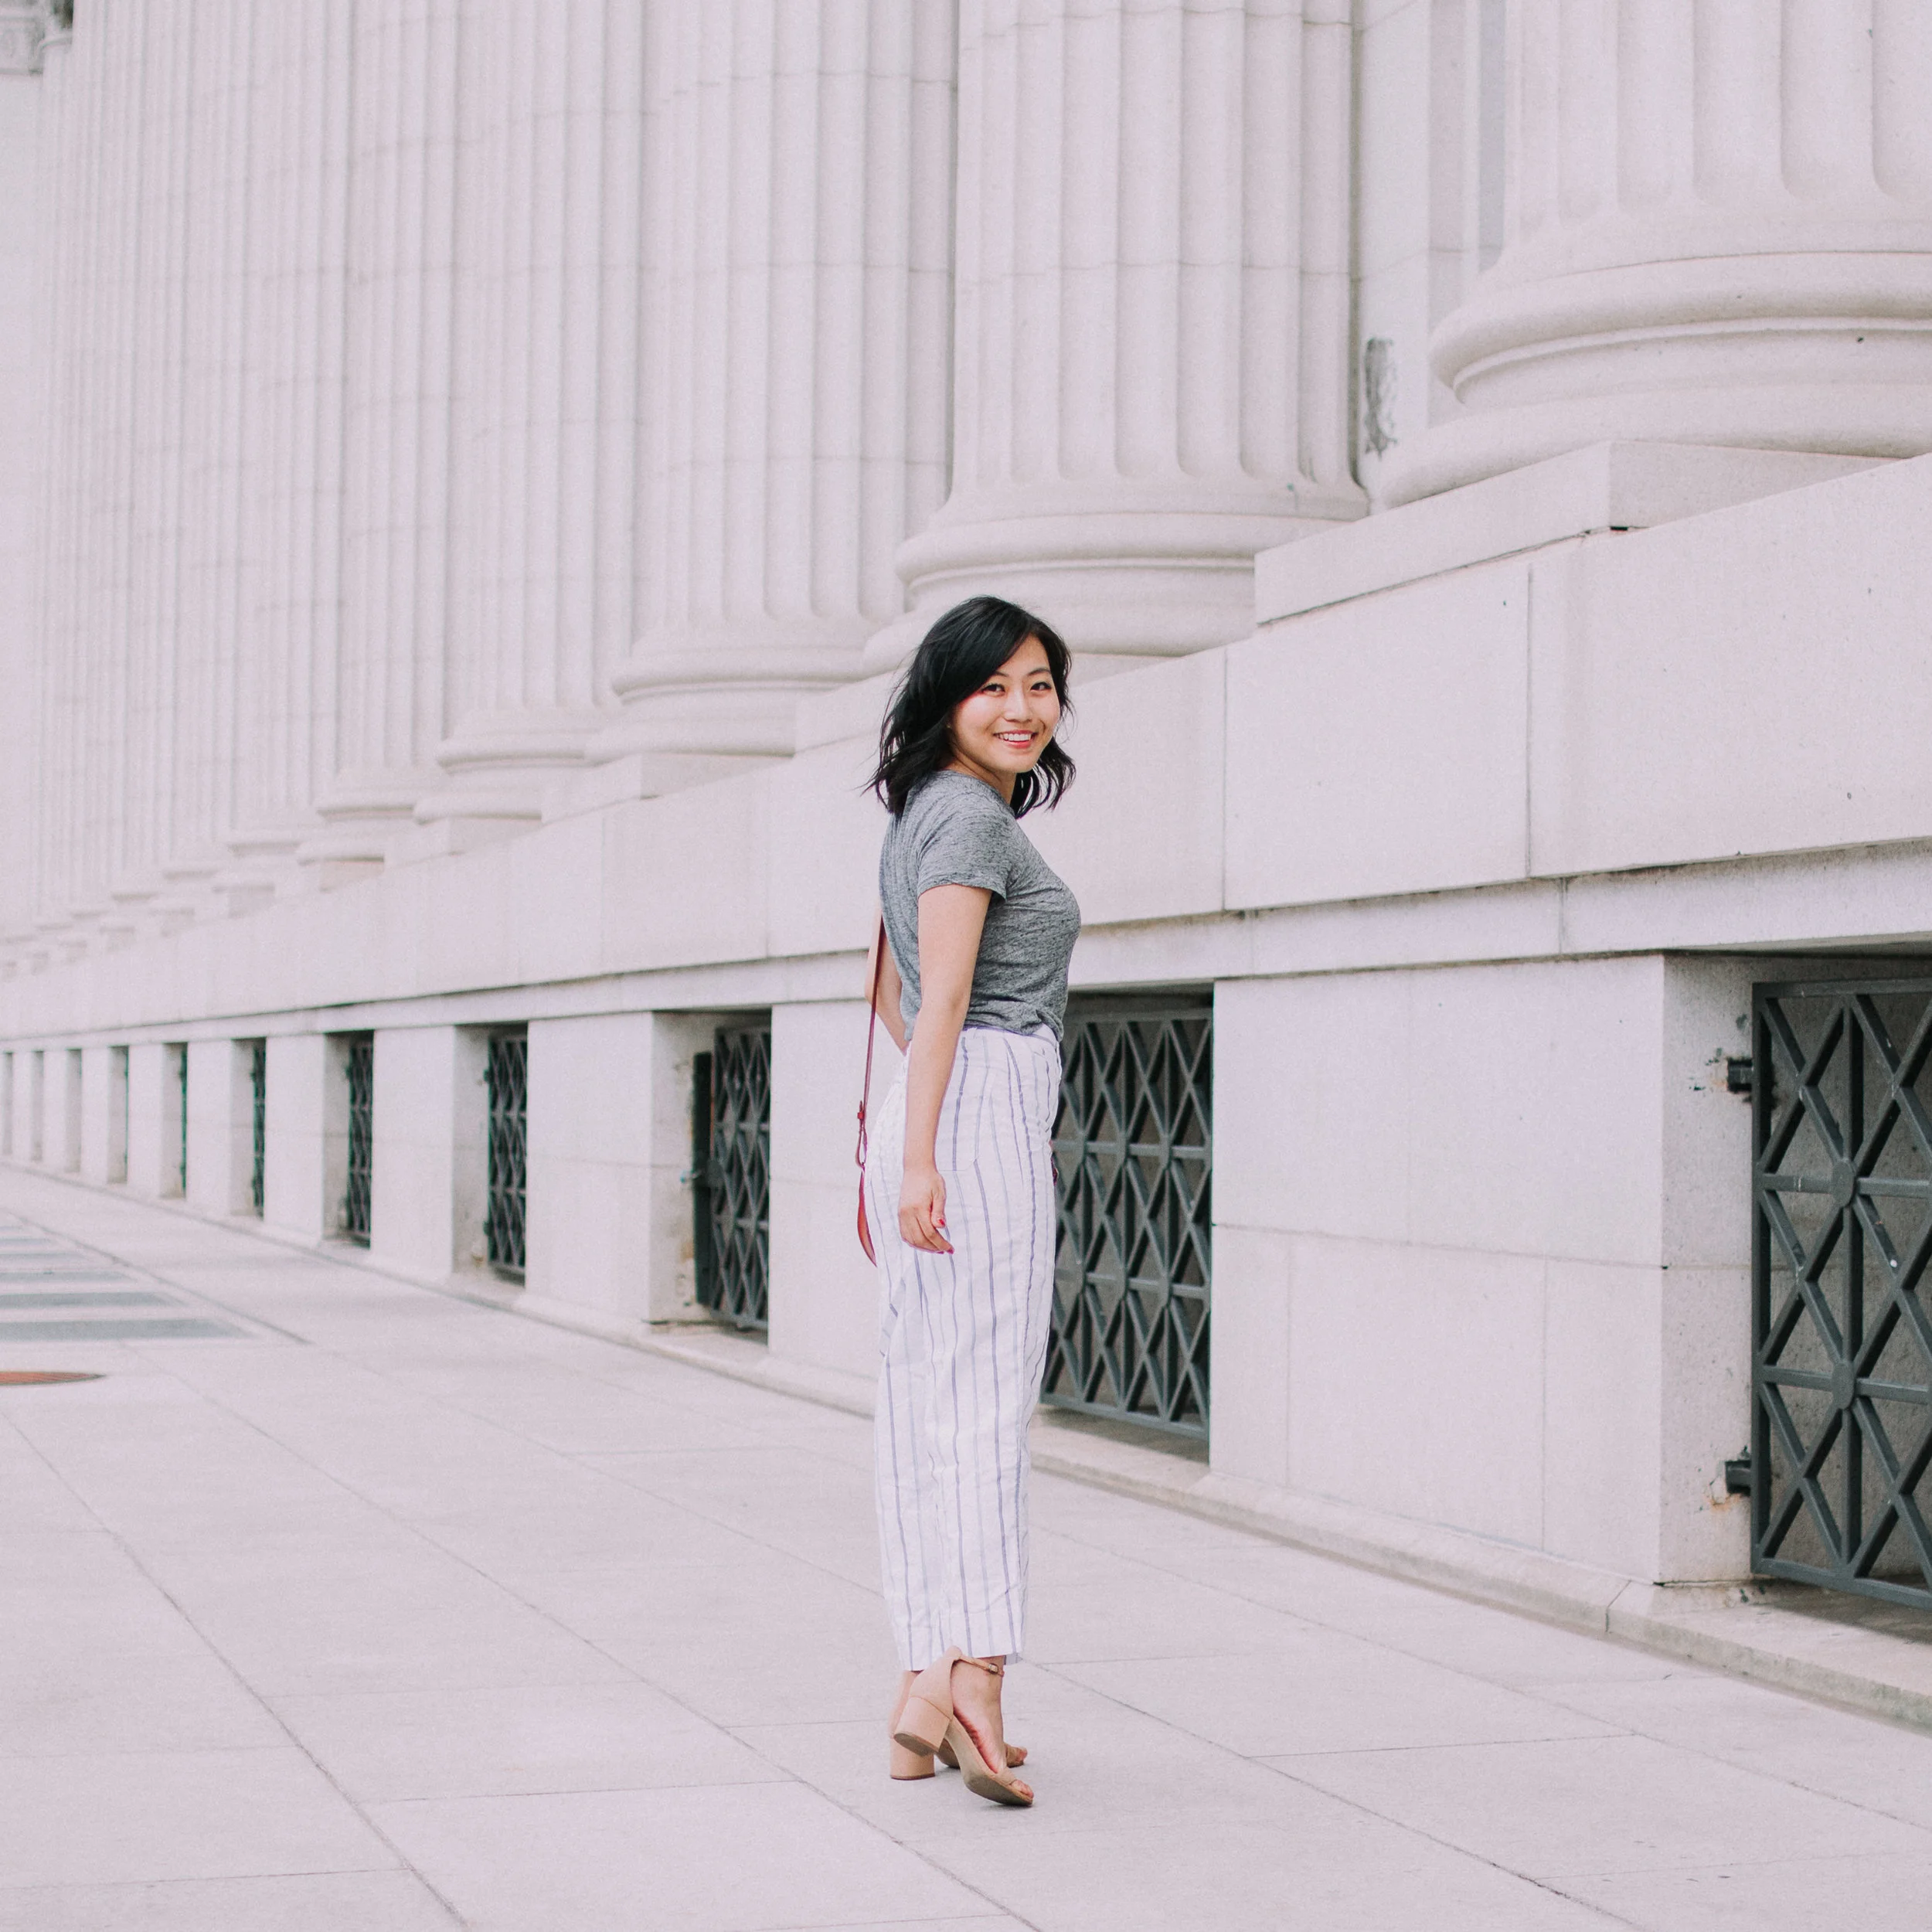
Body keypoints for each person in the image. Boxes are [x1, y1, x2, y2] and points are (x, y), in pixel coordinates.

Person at [862, 594, 1080, 1810]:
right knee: (984, 1395)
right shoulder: (968, 822)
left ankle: (920, 1689)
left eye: (1039, 683)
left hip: (936, 1109)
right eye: (993, 685)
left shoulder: (924, 814)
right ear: (948, 697)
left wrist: (902, 1144)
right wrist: (924, 1159)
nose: (1019, 708)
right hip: (976, 1104)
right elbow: (938, 999)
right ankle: (979, 1681)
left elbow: (884, 992)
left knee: (924, 1401)